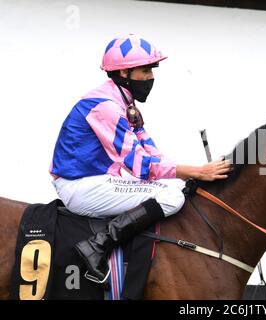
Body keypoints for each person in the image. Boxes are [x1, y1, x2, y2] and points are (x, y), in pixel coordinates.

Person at [49, 34, 231, 282]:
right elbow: (141, 166)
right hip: (80, 186)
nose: (151, 78)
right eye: (145, 71)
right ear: (124, 73)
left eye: (151, 70)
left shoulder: (124, 103)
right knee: (171, 197)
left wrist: (193, 174)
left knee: (177, 187)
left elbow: (150, 151)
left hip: (97, 180)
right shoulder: (106, 107)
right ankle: (97, 245)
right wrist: (198, 171)